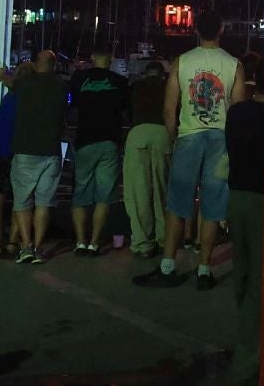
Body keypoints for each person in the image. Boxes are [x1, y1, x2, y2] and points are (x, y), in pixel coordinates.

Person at [136, 11, 244, 289]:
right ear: (221, 29)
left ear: (196, 30)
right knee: (213, 206)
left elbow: (169, 109)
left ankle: (168, 265)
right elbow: (238, 112)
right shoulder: (234, 65)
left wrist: (175, 139)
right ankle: (204, 269)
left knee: (178, 204)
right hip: (220, 140)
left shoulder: (182, 62)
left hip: (189, 137)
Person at [226, 55, 264, 386]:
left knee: (241, 270)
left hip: (236, 195)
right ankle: (250, 347)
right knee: (259, 273)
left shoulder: (237, 113)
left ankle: (246, 332)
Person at [68, 48, 131, 255]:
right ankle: (94, 242)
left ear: (92, 58)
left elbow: (73, 103)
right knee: (104, 194)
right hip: (109, 140)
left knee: (81, 191)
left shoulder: (79, 78)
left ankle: (80, 241)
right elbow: (124, 109)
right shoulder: (120, 82)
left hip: (85, 139)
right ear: (111, 59)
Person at [10, 50, 68, 263]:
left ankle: (25, 246)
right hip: (51, 150)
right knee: (44, 202)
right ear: (54, 65)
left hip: (26, 148)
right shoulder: (61, 86)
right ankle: (38, 247)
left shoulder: (25, 84)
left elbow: (11, 83)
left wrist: (1, 74)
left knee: (23, 200)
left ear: (35, 64)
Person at [0, 63, 31, 259]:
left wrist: (3, 76)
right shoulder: (30, 100)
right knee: (21, 199)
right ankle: (12, 241)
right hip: (18, 152)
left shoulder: (11, 97)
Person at [123, 59, 169, 259]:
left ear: (145, 74)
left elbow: (127, 112)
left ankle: (143, 243)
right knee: (162, 190)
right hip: (163, 133)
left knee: (138, 190)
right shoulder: (168, 86)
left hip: (138, 132)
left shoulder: (135, 86)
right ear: (162, 75)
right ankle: (164, 239)